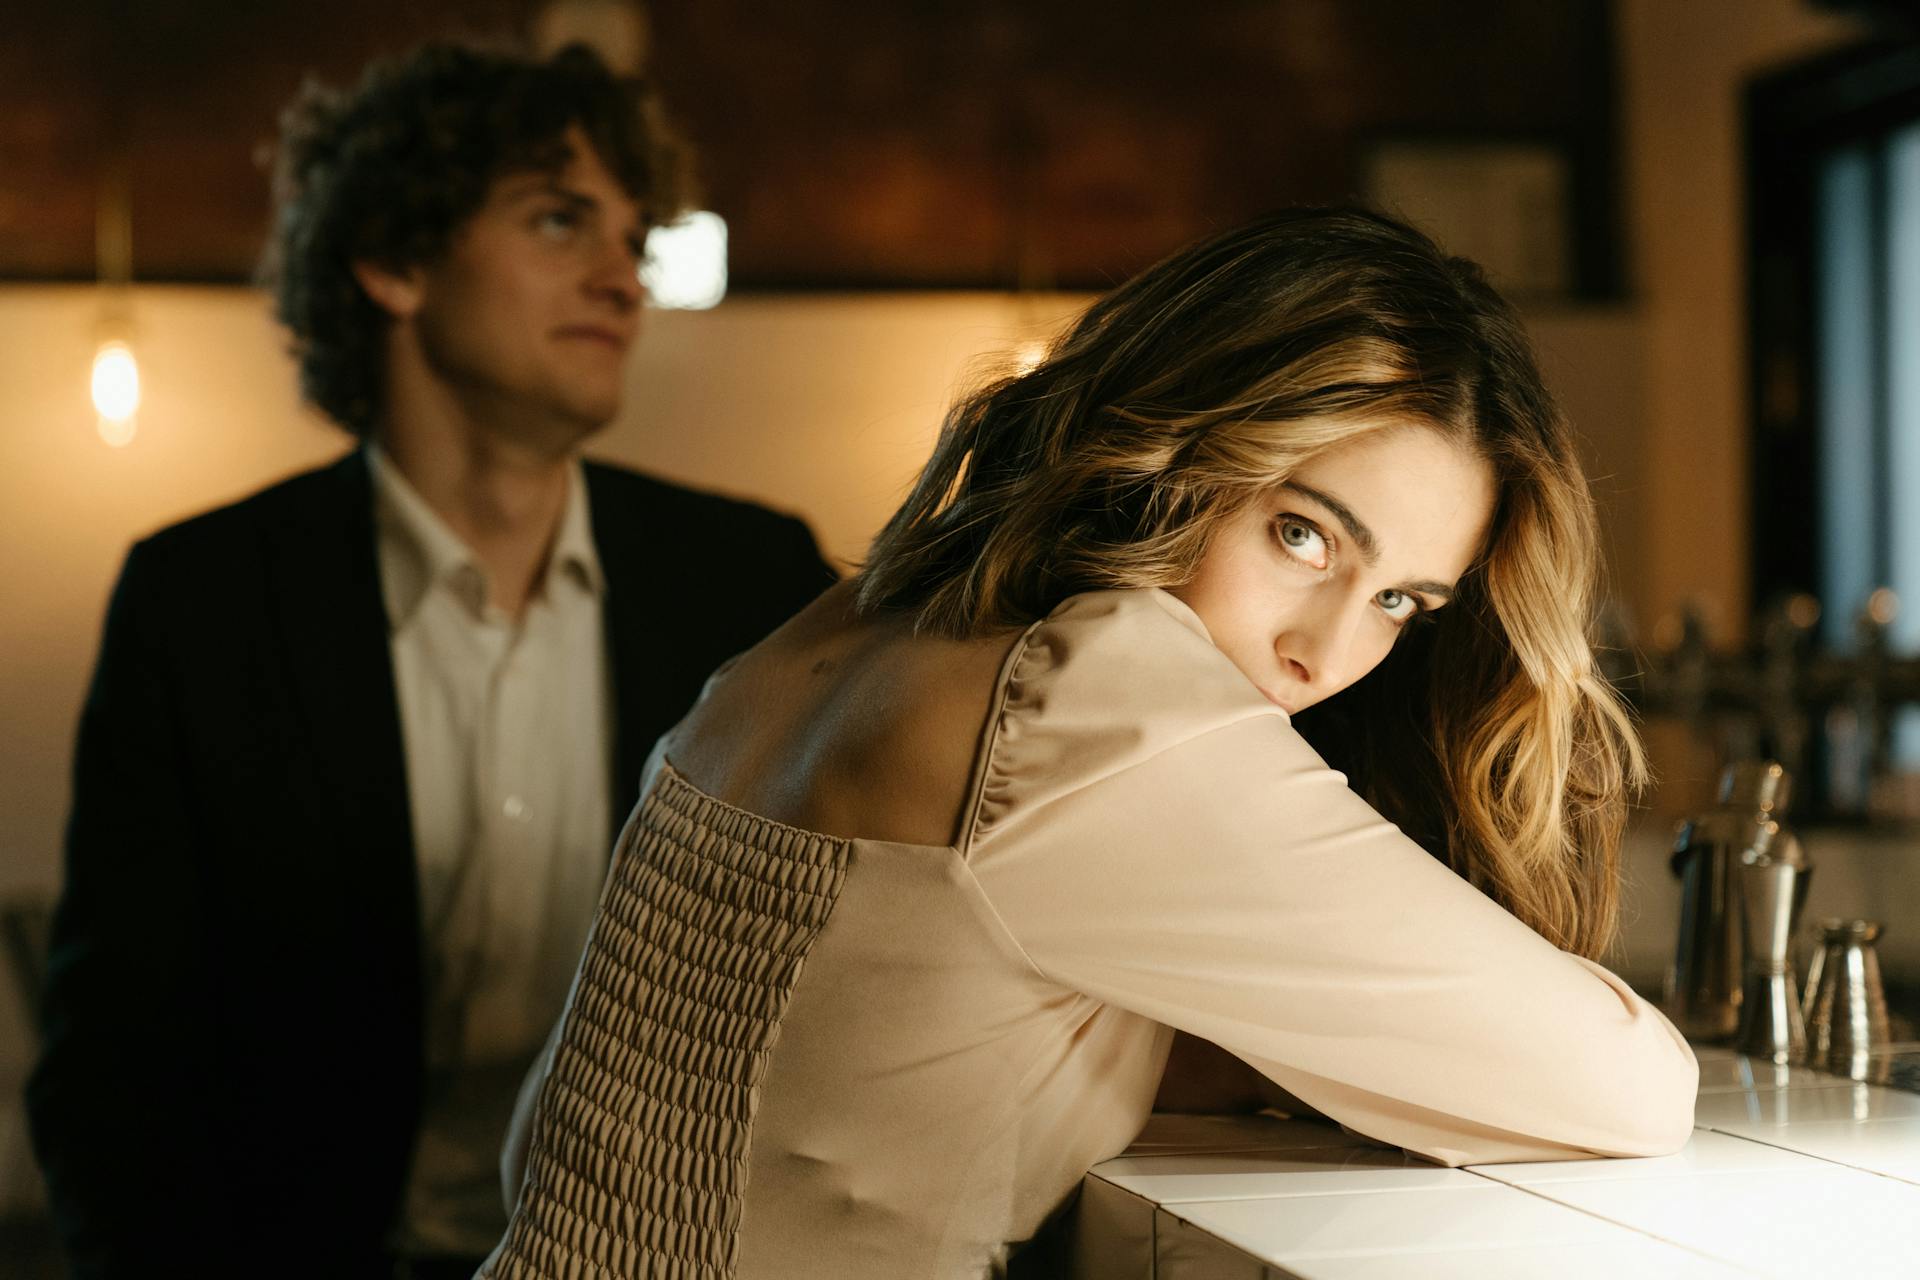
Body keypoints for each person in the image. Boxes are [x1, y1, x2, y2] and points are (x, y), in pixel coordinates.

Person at [479, 207, 1698, 1280]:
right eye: (1304, 536)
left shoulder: (861, 614)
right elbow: (1630, 1086)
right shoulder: (1096, 699)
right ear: (1175, 449)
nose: (1324, 654)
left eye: (1400, 603)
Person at [27, 40, 836, 1280]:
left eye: (635, 238)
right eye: (562, 220)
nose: (624, 277)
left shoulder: (749, 576)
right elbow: (114, 1055)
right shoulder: (205, 598)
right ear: (395, 259)